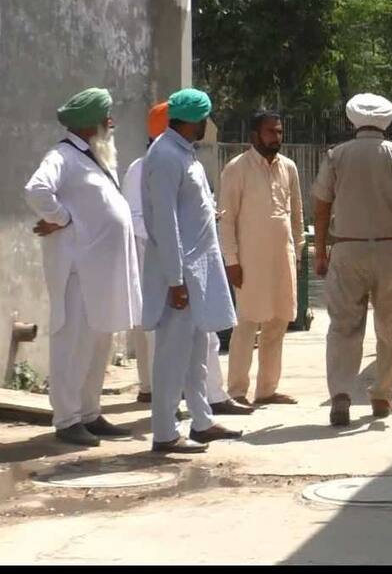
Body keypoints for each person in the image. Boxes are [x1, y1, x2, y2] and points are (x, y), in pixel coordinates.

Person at [24, 88, 141, 447]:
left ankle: (90, 412)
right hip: (76, 272)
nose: (112, 122)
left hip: (101, 274)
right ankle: (67, 419)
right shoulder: (63, 156)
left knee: (98, 343)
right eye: (106, 116)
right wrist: (61, 218)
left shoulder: (94, 157)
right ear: (91, 122)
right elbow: (36, 189)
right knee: (72, 343)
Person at [312, 93, 392, 427]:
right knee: (391, 327)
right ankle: (381, 395)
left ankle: (340, 394)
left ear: (353, 120)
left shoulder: (337, 156)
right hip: (388, 251)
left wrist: (320, 251)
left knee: (343, 326)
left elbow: (321, 207)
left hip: (346, 250)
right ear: (387, 121)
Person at [142, 88, 242, 453]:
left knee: (198, 351)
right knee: (171, 355)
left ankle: (201, 421)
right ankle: (165, 433)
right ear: (191, 120)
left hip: (199, 271)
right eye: (204, 119)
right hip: (180, 274)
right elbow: (165, 223)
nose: (206, 125)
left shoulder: (185, 154)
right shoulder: (165, 156)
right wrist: (175, 280)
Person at [220, 110, 304, 406]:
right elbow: (226, 221)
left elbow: (296, 214)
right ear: (254, 135)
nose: (276, 138)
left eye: (279, 132)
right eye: (271, 132)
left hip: (283, 257)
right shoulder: (236, 169)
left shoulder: (288, 167)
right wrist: (231, 261)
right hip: (249, 261)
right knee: (246, 323)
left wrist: (298, 251)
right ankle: (237, 392)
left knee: (278, 321)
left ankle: (267, 390)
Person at [125, 102, 168, 404]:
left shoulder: (176, 163)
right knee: (150, 322)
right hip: (148, 253)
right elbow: (133, 218)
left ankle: (161, 384)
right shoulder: (138, 169)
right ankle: (151, 386)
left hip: (171, 252)